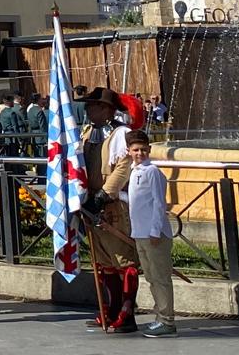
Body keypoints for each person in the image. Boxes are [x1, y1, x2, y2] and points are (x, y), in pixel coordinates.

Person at [81, 87, 140, 333]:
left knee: (123, 259)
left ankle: (127, 311)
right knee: (104, 261)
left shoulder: (122, 134)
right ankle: (112, 307)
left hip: (113, 205)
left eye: (93, 106)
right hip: (90, 205)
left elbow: (123, 167)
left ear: (106, 109)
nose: (88, 110)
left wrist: (104, 194)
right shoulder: (86, 133)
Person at [123, 129, 175, 338]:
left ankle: (167, 320)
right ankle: (160, 316)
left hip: (154, 234)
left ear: (149, 149)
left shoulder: (152, 171)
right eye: (135, 150)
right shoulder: (135, 172)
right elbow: (136, 201)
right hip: (140, 233)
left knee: (161, 277)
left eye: (143, 149)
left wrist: (155, 231)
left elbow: (159, 203)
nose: (140, 153)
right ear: (129, 151)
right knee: (152, 277)